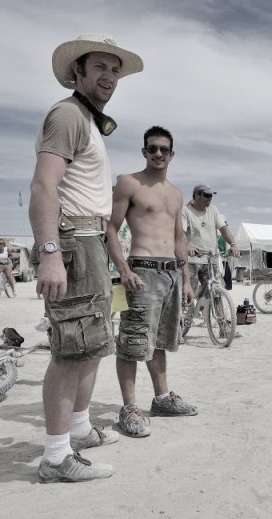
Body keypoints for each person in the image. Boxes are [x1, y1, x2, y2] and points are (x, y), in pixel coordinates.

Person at [30, 33, 143, 483]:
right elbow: (43, 187)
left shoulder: (89, 121)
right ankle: (56, 457)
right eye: (99, 67)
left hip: (92, 243)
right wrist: (50, 253)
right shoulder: (67, 114)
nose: (109, 77)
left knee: (93, 344)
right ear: (76, 72)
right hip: (73, 242)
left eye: (115, 70)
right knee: (69, 351)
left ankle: (78, 429)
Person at [106, 126, 197, 438]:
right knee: (132, 341)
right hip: (141, 270)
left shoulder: (176, 193)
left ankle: (161, 398)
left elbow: (179, 237)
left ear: (172, 154)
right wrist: (124, 269)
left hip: (171, 272)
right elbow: (111, 229)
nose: (159, 154)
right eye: (153, 148)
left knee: (160, 340)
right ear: (144, 152)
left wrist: (185, 278)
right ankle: (129, 407)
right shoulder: (129, 183)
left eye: (164, 149)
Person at [182, 184, 241, 330]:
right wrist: (187, 246)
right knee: (188, 295)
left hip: (210, 259)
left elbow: (224, 228)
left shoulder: (213, 210)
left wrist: (233, 244)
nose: (209, 199)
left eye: (211, 196)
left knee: (216, 293)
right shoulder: (185, 211)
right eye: (206, 195)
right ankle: (182, 326)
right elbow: (180, 234)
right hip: (192, 261)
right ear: (196, 195)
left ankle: (223, 327)